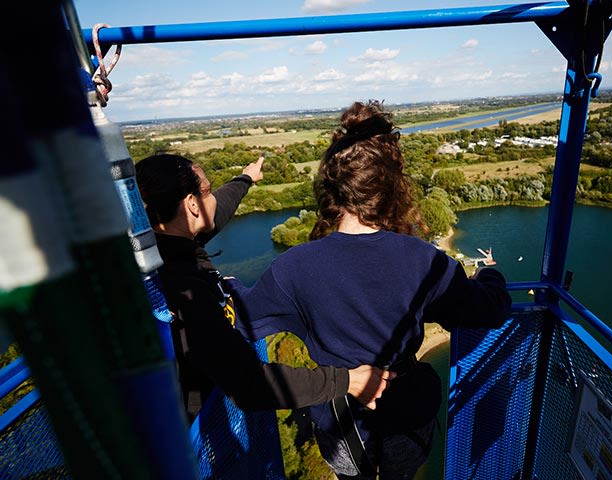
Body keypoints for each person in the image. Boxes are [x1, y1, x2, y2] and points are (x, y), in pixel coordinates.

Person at [229, 101, 512, 479]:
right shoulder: (423, 261)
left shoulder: (292, 268)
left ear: (332, 189)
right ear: (392, 187)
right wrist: (490, 278)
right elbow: (486, 310)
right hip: (407, 410)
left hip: (338, 417)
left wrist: (224, 286)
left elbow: (242, 323)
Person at [135, 153, 394, 421]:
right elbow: (248, 383)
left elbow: (216, 210)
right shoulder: (188, 290)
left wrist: (246, 179)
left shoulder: (161, 248)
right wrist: (346, 382)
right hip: (195, 429)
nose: (213, 198)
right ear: (192, 204)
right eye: (208, 190)